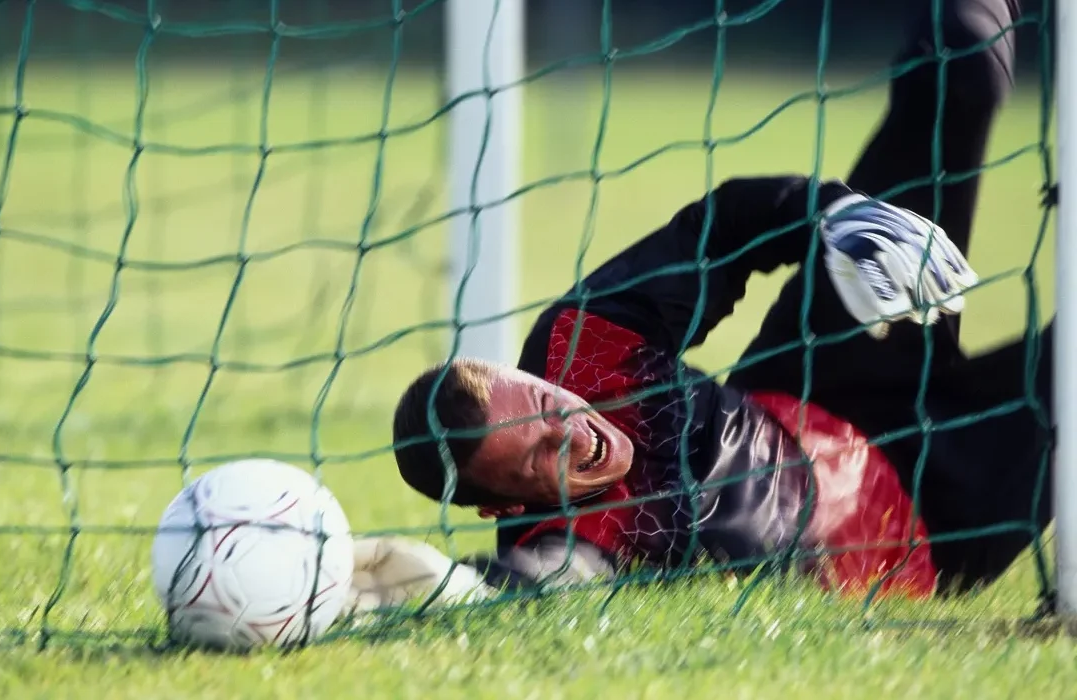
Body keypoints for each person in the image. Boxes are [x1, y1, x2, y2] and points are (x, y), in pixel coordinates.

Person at [384, 0, 1049, 603]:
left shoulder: (582, 344)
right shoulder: (567, 543)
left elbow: (724, 229)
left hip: (826, 380)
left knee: (961, 65)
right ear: (504, 508)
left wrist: (836, 215)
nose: (570, 430)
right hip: (940, 519)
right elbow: (530, 584)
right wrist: (415, 586)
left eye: (542, 404)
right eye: (537, 456)